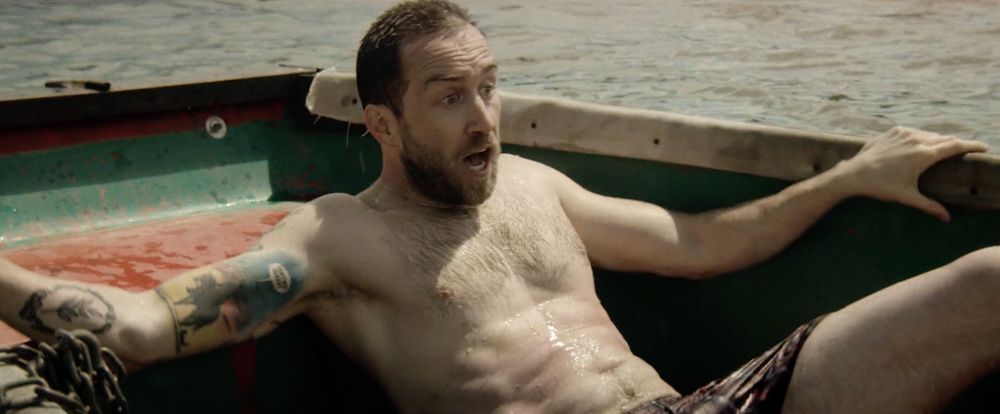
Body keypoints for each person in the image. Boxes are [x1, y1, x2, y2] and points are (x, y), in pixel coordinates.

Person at [1, 1, 997, 412]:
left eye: (489, 86)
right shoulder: (339, 238)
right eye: (449, 97)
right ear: (382, 124)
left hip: (701, 406)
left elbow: (695, 243)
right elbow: (139, 326)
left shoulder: (531, 185)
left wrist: (848, 176)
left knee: (991, 279)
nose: (485, 118)